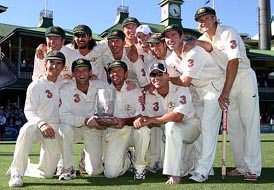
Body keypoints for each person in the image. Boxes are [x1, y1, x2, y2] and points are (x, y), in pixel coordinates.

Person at [193, 7, 261, 181]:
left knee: (249, 125)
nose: (203, 22)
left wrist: (224, 92)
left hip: (243, 79)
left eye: (207, 18)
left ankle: (253, 168)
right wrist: (193, 43)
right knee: (234, 128)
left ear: (215, 18)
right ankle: (241, 166)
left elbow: (234, 62)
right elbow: (206, 49)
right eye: (200, 20)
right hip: (226, 82)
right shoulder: (202, 39)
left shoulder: (227, 32)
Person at [162, 24, 224, 182]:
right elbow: (171, 82)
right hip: (196, 91)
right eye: (167, 36)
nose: (170, 39)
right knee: (198, 128)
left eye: (174, 35)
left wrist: (167, 78)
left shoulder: (194, 51)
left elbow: (183, 80)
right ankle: (204, 168)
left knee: (208, 128)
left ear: (182, 36)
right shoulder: (170, 59)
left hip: (213, 87)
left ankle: (202, 171)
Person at [134, 63, 201, 185]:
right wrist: (140, 119)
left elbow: (178, 116)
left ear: (167, 76)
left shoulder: (180, 88)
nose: (156, 77)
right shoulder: (149, 94)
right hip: (169, 130)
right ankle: (190, 164)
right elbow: (147, 118)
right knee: (175, 162)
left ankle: (175, 175)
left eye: (160, 74)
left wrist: (153, 120)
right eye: (153, 75)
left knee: (170, 126)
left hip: (191, 126)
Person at [7, 50, 66, 187]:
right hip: (38, 125)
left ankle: (26, 167)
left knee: (47, 173)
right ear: (45, 64)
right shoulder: (36, 85)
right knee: (26, 129)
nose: (54, 66)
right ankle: (17, 172)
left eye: (59, 64)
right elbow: (29, 110)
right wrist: (41, 123)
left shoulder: (66, 85)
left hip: (55, 129)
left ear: (63, 67)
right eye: (51, 62)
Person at [58, 58, 109, 180]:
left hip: (93, 130)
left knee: (94, 172)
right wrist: (85, 120)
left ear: (90, 72)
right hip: (75, 128)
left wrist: (103, 122)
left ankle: (84, 159)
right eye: (78, 71)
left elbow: (108, 109)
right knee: (64, 128)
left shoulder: (102, 86)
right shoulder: (66, 89)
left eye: (85, 70)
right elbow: (63, 115)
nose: (81, 74)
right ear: (73, 73)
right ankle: (67, 168)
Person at [103, 60, 150, 180]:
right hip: (115, 132)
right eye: (112, 71)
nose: (116, 74)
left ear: (125, 74)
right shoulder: (104, 92)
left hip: (133, 130)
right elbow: (102, 117)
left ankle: (139, 167)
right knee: (111, 174)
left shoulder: (135, 90)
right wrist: (106, 121)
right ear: (109, 75)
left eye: (119, 71)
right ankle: (128, 159)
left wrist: (124, 121)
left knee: (143, 129)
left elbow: (140, 116)